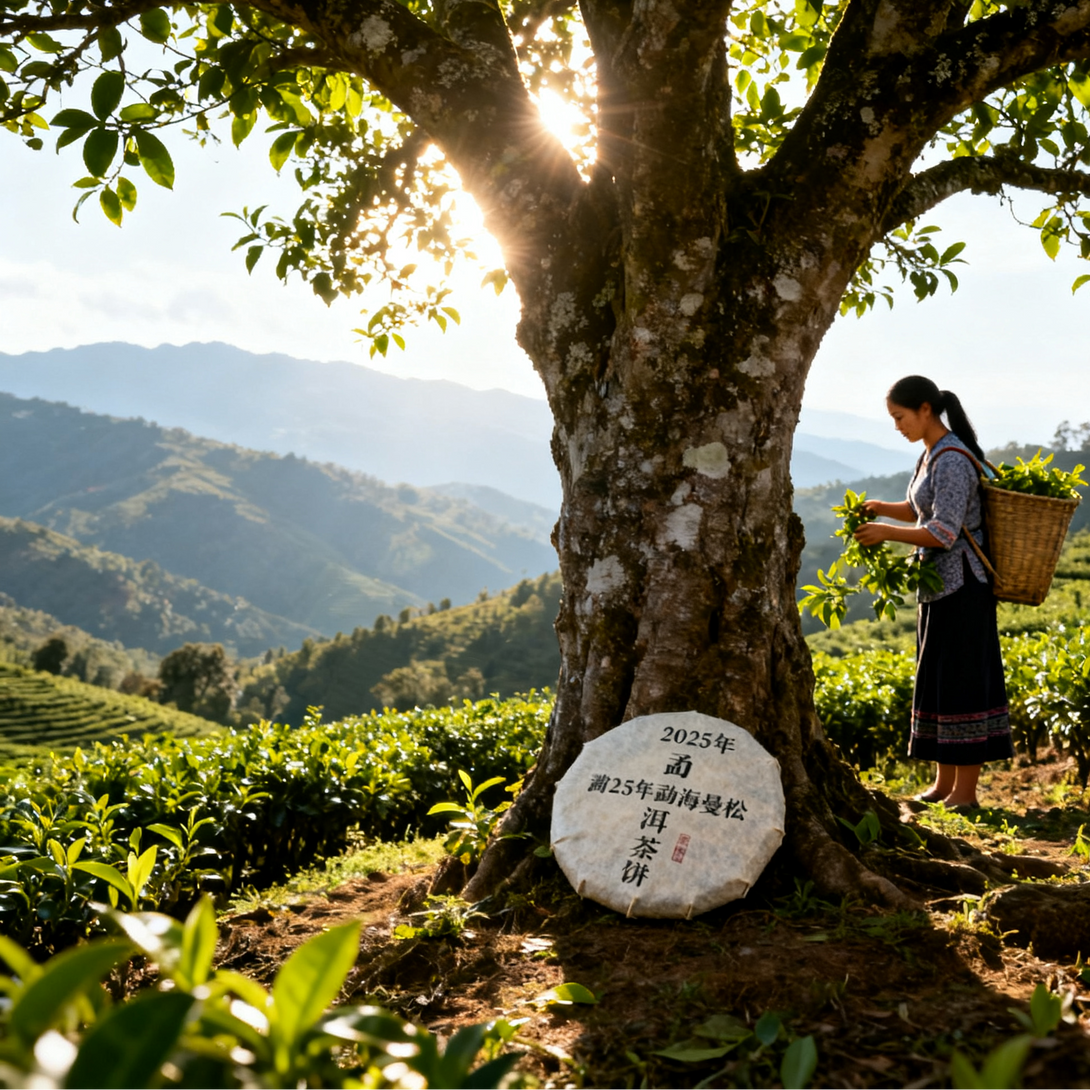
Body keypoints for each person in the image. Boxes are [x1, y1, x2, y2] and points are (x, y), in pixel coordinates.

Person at [853, 376, 1012, 810]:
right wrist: (883, 509)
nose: (897, 426)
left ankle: (965, 793)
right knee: (941, 681)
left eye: (900, 417)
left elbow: (942, 530)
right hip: (939, 587)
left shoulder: (954, 459)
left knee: (964, 683)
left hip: (964, 585)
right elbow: (921, 510)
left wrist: (887, 532)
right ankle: (943, 784)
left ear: (925, 409)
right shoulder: (930, 455)